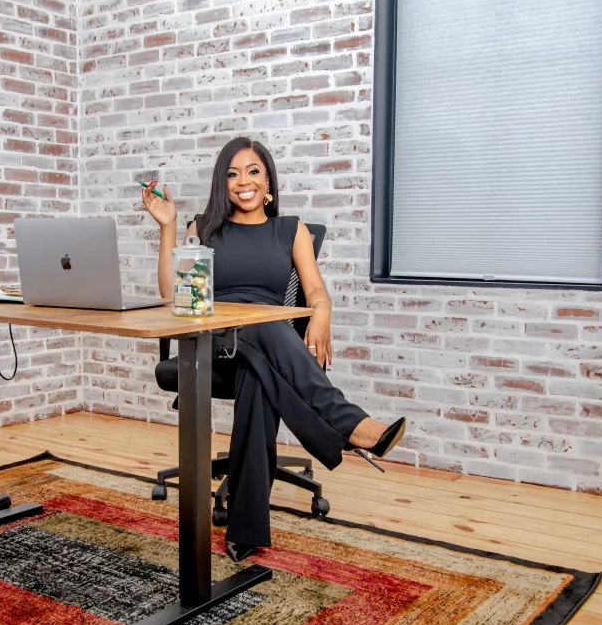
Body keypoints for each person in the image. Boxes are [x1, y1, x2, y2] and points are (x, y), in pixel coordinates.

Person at [142, 137, 406, 562]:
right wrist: (168, 227)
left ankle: (246, 530)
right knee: (264, 322)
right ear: (221, 183)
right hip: (215, 342)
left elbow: (316, 288)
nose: (242, 182)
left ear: (268, 182)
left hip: (260, 350)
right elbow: (174, 295)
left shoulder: (291, 230)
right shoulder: (203, 229)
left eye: (252, 171)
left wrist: (322, 312)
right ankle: (347, 423)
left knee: (259, 373)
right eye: (232, 173)